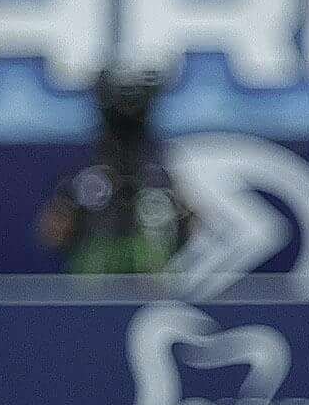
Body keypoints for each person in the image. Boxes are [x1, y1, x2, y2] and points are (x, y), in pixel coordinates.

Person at [36, 65, 192, 274]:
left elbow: (188, 226)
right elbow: (52, 234)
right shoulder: (87, 182)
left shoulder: (159, 181)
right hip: (96, 283)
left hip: (149, 286)